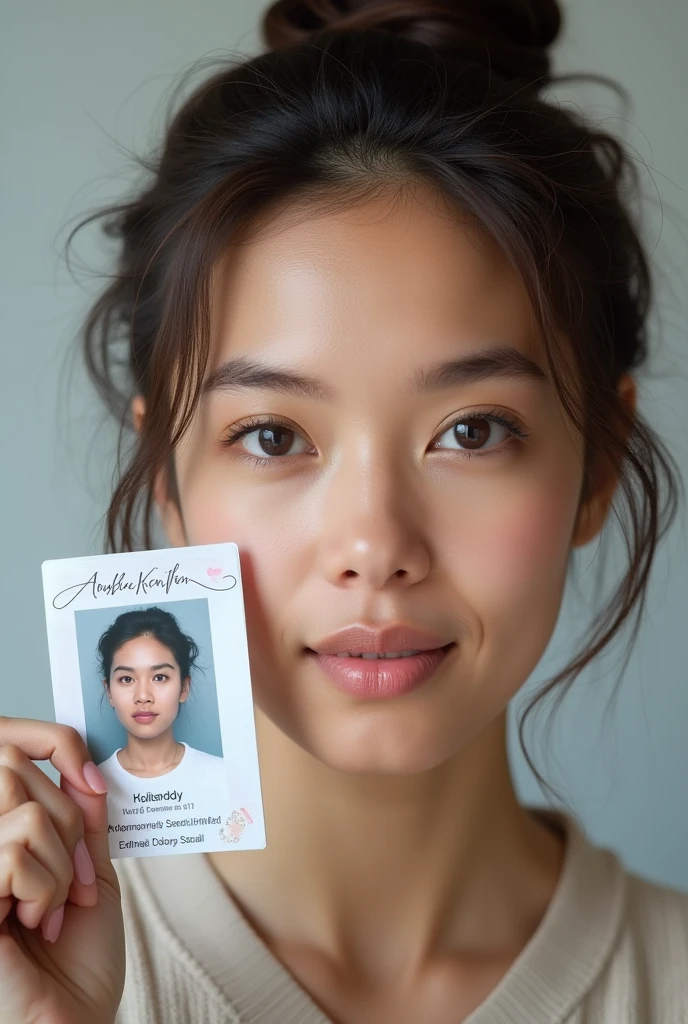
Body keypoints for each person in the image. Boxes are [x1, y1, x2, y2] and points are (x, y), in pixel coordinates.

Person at [1, 1, 687, 1022]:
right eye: (274, 436)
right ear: (168, 478)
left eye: (472, 430)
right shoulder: (30, 972)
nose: (375, 546)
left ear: (596, 465)